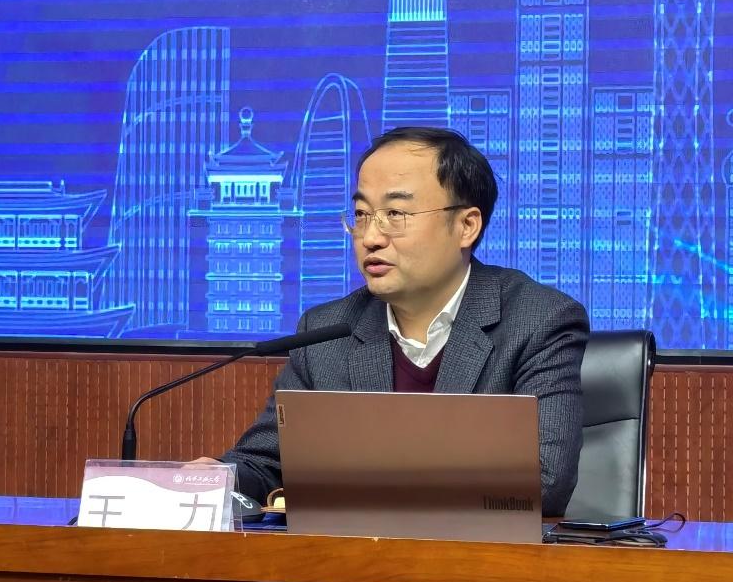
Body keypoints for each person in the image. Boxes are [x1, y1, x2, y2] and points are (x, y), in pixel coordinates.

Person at [199, 126, 589, 516]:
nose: (370, 237)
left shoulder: (536, 321)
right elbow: (265, 463)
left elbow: (543, 482)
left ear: (466, 226)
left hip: (479, 554)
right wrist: (211, 478)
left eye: (395, 214)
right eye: (361, 214)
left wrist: (371, 487)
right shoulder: (325, 332)